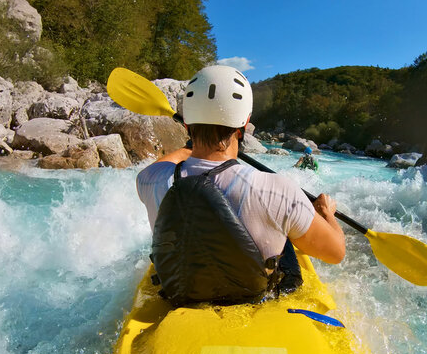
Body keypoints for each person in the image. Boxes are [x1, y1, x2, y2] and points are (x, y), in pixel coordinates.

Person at [136, 65, 344, 305]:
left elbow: (165, 163)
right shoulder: (279, 190)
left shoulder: (150, 180)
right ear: (245, 125)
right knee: (285, 235)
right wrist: (327, 214)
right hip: (257, 297)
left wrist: (188, 147)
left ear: (186, 126)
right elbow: (336, 252)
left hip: (181, 291)